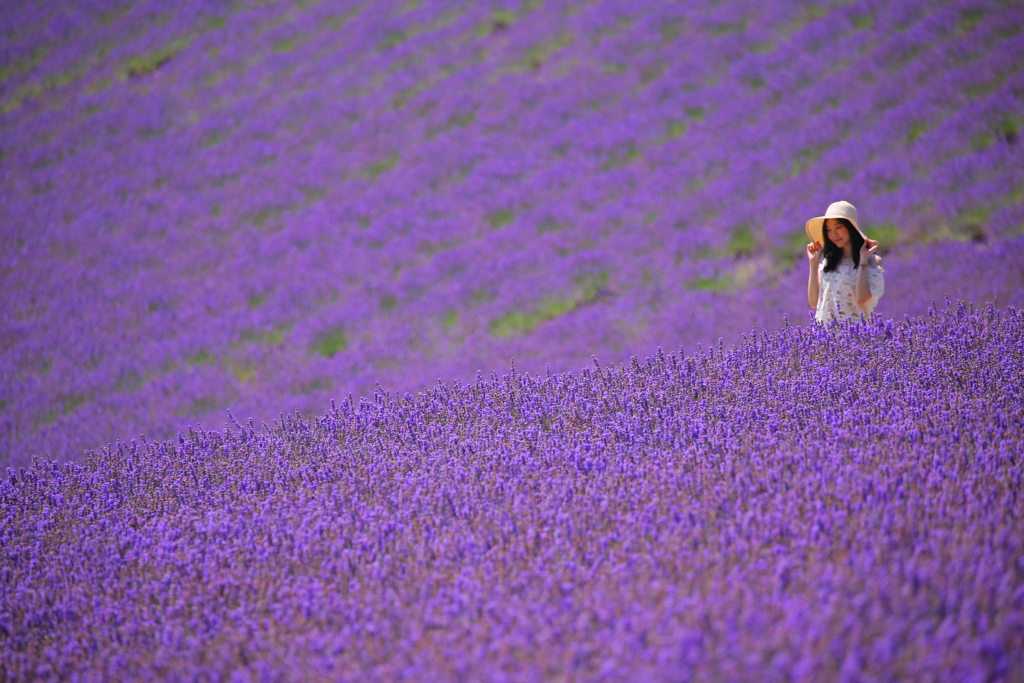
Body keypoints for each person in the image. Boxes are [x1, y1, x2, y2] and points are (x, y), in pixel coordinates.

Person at [805, 200, 885, 323]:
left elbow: (861, 299)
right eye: (829, 230)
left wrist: (862, 260)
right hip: (826, 337)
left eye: (838, 227)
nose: (834, 234)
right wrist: (814, 264)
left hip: (855, 337)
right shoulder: (828, 262)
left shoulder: (872, 261)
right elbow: (814, 302)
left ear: (850, 228)